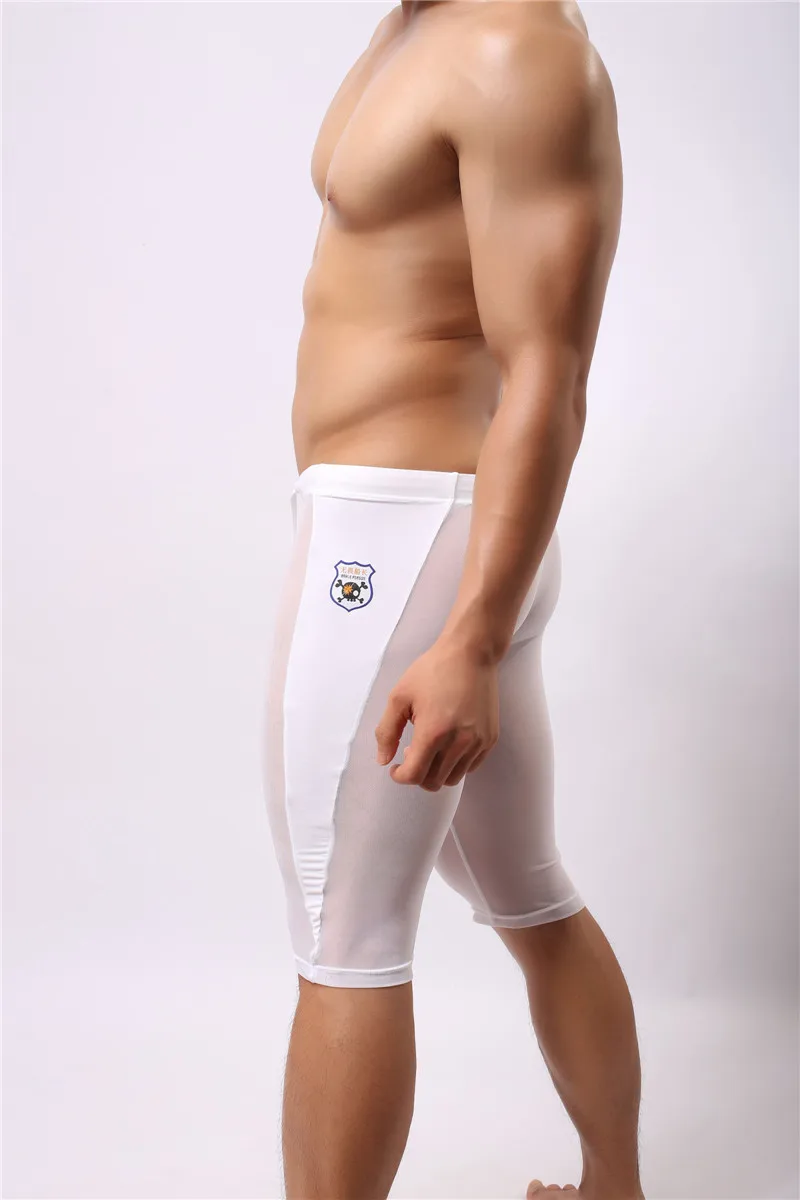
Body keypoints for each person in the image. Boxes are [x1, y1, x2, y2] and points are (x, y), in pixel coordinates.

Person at [262, 2, 644, 1197]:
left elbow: (548, 371)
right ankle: (613, 1187)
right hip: (422, 537)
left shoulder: (515, 48)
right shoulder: (412, 24)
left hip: (407, 549)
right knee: (525, 891)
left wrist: (469, 635)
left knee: (345, 936)